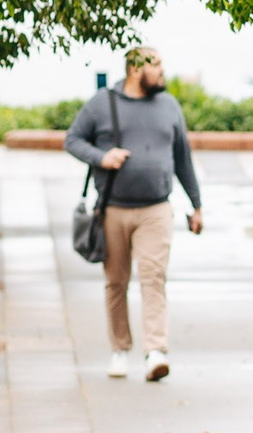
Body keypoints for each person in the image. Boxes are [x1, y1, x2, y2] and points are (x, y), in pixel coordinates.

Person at [65, 47, 204, 381]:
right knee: (116, 283)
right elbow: (72, 140)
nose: (162, 72)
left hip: (156, 208)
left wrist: (196, 204)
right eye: (156, 66)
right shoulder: (102, 103)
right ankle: (119, 349)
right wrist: (102, 157)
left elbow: (182, 157)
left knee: (154, 278)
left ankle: (156, 350)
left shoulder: (169, 106)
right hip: (113, 209)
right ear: (134, 69)